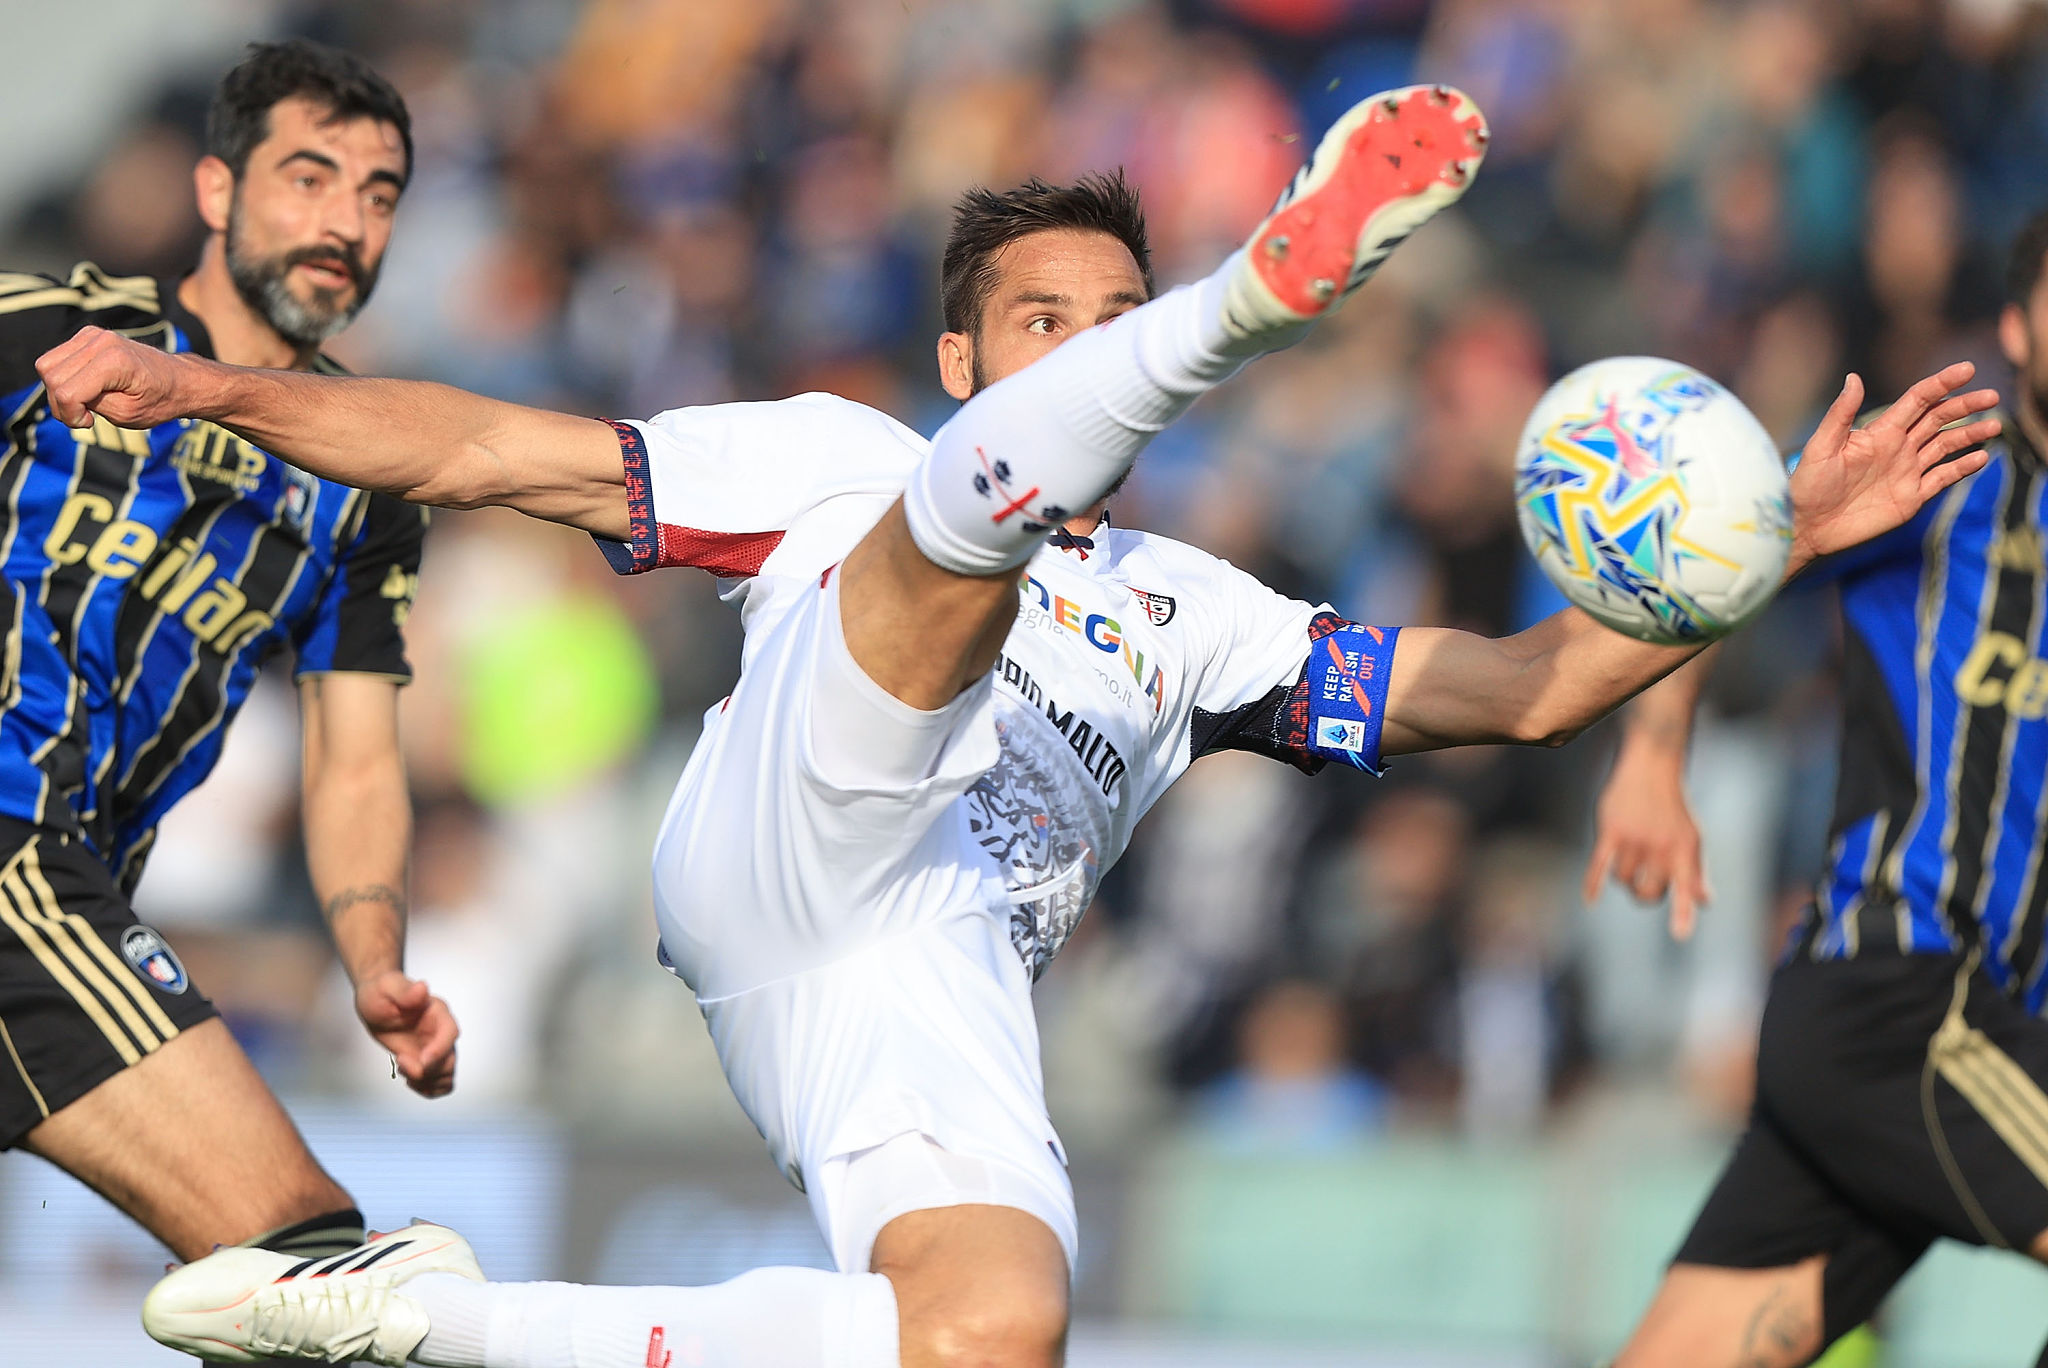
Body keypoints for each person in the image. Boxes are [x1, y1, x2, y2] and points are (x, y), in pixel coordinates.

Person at [42, 85, 1992, 1368]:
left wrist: (1760, 557)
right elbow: (469, 442)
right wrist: (203, 381)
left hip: (937, 960)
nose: (1069, 339)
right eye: (1046, 319)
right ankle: (1251, 296)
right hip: (809, 813)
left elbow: (1524, 686)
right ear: (969, 351)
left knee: (991, 1334)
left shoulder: (1203, 616)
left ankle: (431, 1326)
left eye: (1117, 315)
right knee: (938, 542)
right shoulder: (826, 450)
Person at [0, 38, 454, 1268]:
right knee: (298, 1254)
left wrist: (373, 963)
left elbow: (355, 761)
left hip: (86, 882)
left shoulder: (364, 479)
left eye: (377, 195)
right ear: (215, 192)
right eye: (309, 178)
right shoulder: (48, 333)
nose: (344, 223)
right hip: (13, 860)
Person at [1587, 209, 2048, 1368]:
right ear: (2013, 327)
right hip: (1896, 995)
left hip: (1978, 1038)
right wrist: (1651, 757)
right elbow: (1709, 552)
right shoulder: (1937, 475)